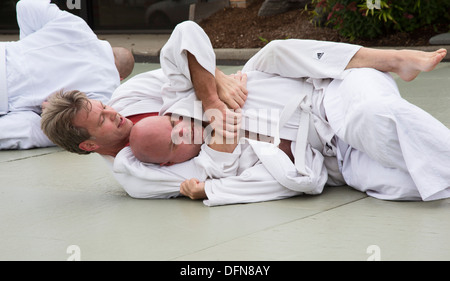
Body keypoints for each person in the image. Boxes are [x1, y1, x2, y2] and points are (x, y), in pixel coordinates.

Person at [41, 21, 448, 206]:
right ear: (91, 143)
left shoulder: (136, 98)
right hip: (330, 158)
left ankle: (392, 59)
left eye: (104, 107)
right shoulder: (140, 174)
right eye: (103, 120)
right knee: (407, 186)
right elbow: (212, 178)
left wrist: (214, 89)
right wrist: (215, 176)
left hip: (330, 91)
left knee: (370, 117)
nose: (115, 114)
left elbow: (184, 44)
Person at [0, 0, 135, 150]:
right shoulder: (107, 90)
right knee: (41, 130)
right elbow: (69, 125)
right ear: (121, 77)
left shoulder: (74, 25)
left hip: (4, 54)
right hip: (8, 100)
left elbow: (26, 5)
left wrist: (28, 47)